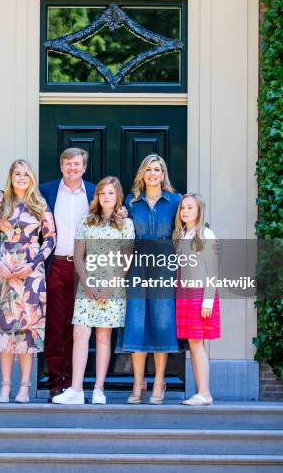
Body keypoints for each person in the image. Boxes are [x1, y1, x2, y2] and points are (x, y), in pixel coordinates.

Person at [0, 148, 95, 402]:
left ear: (84, 167)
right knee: (56, 326)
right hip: (54, 265)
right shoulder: (46, 191)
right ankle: (56, 383)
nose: (72, 168)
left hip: (86, 267)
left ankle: (74, 384)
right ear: (61, 167)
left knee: (79, 327)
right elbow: (14, 198)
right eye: (68, 164)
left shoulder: (94, 192)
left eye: (77, 164)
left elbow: (113, 208)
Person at [53, 176, 135, 405]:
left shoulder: (126, 224)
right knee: (80, 334)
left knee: (103, 336)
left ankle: (99, 389)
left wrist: (111, 285)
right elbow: (78, 256)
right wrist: (87, 284)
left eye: (110, 193)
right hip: (87, 284)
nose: (105, 197)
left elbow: (126, 259)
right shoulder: (87, 221)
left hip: (113, 287)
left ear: (117, 195)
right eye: (102, 193)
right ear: (97, 196)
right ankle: (76, 389)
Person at [0, 159, 56, 403]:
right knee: (5, 331)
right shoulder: (0, 203)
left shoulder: (40, 204)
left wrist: (33, 264)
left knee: (28, 331)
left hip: (31, 274)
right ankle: (5, 386)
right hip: (4, 272)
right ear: (11, 177)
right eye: (17, 173)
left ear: (31, 178)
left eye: (26, 174)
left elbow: (51, 239)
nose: (21, 177)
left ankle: (24, 387)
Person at [119, 154, 182, 405]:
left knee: (162, 321)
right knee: (136, 321)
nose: (153, 174)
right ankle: (138, 382)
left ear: (163, 173)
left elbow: (191, 226)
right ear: (142, 174)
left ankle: (158, 381)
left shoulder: (176, 201)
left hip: (164, 264)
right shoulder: (131, 202)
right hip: (137, 264)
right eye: (149, 170)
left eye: (157, 169)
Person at [173, 193, 221, 406]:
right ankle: (201, 392)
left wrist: (208, 301)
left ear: (199, 211)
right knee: (193, 344)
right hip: (184, 294)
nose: (185, 211)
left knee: (196, 343)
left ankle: (204, 393)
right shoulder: (182, 233)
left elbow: (213, 269)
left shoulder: (205, 234)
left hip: (200, 295)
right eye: (183, 207)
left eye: (190, 207)